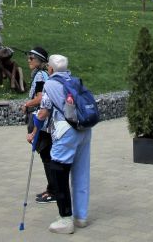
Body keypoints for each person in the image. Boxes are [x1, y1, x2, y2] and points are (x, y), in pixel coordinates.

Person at [27, 54, 91, 234]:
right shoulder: (75, 81)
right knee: (81, 173)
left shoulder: (50, 84)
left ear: (51, 69)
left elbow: (43, 112)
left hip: (65, 131)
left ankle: (65, 219)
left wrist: (34, 132)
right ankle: (81, 217)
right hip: (84, 130)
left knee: (58, 173)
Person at [21, 47, 57, 205]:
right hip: (42, 120)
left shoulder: (41, 75)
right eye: (28, 57)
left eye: (31, 58)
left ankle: (53, 191)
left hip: (40, 120)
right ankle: (51, 188)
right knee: (46, 155)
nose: (28, 60)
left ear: (40, 61)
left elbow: (41, 98)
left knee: (46, 155)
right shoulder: (41, 74)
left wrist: (27, 104)